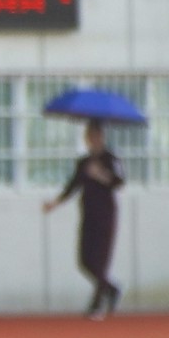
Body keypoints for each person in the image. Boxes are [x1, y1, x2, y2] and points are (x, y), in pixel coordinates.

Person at [51, 122, 127, 321]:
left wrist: (100, 174)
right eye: (89, 136)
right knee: (85, 261)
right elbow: (73, 184)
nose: (93, 140)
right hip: (88, 215)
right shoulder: (84, 162)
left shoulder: (111, 159)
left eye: (96, 136)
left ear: (101, 137)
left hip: (105, 216)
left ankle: (97, 305)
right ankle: (111, 289)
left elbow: (119, 182)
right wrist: (56, 202)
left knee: (100, 261)